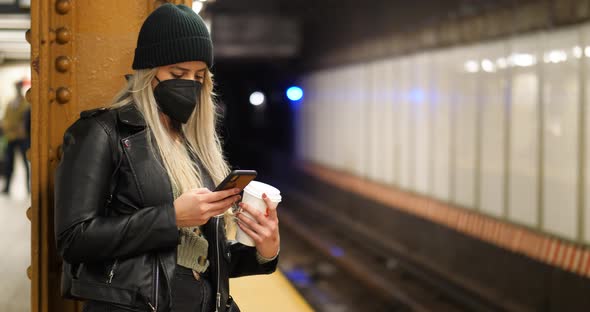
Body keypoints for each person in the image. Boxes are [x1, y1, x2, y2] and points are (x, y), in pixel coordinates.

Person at [53, 4, 280, 312]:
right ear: (149, 72)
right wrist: (170, 217)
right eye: (177, 73)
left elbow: (198, 257)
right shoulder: (102, 133)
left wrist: (265, 250)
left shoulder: (192, 145)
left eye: (199, 76)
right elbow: (74, 239)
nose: (189, 83)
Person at [1, 80, 30, 195]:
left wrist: (12, 126)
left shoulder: (26, 104)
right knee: (8, 162)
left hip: (22, 137)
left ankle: (28, 188)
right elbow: (6, 119)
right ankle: (7, 187)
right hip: (11, 137)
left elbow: (24, 122)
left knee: (25, 163)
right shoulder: (10, 103)